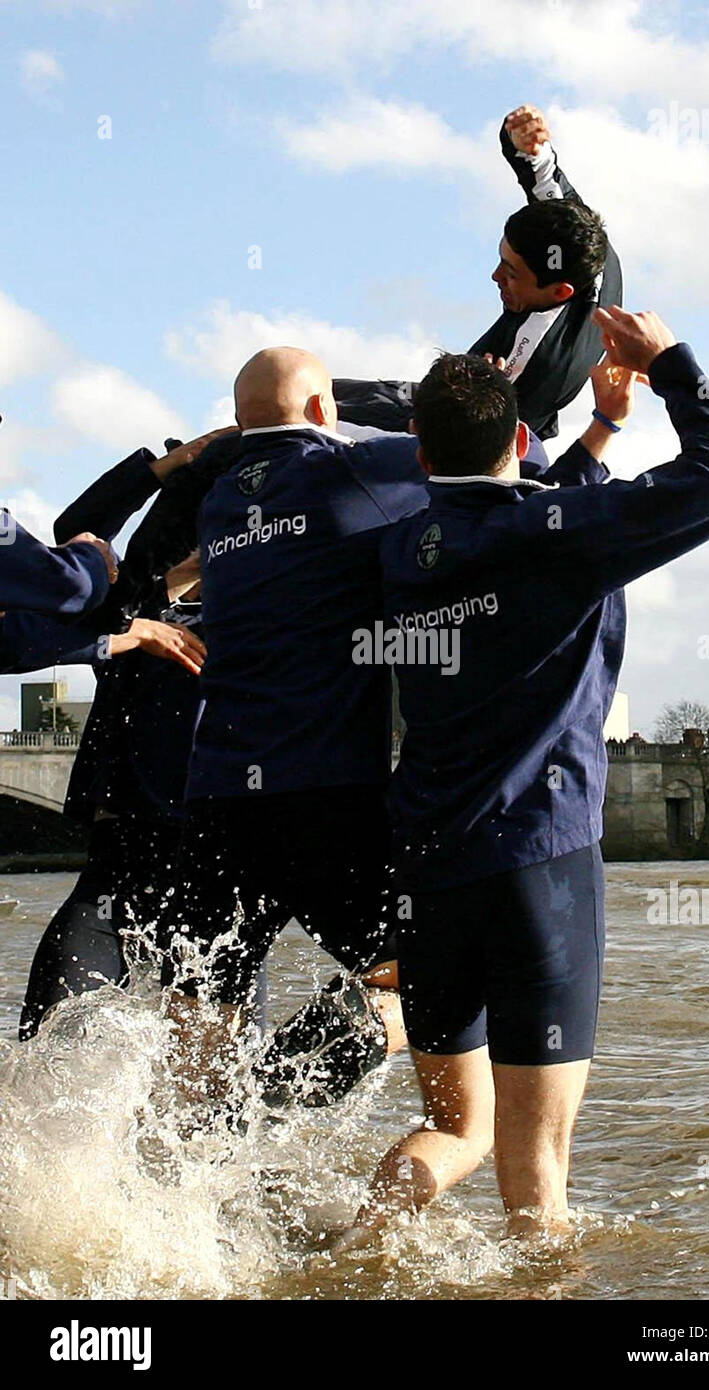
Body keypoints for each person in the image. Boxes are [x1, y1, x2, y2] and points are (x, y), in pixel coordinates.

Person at [335, 306, 709, 1247]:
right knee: (539, 1183)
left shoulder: (402, 550)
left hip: (431, 864)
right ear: (521, 438)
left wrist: (602, 432)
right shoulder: (563, 534)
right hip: (542, 862)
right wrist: (671, 366)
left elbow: (504, 515)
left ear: (417, 451)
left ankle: (344, 1259)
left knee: (457, 1131)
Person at [158, 346, 626, 1114]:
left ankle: (188, 1173)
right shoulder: (354, 471)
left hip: (214, 796)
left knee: (202, 1013)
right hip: (324, 797)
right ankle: (286, 1090)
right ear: (320, 412)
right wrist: (588, 422)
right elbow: (498, 458)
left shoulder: (217, 505)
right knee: (426, 975)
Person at [17, 435, 225, 1040]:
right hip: (118, 875)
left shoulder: (266, 618)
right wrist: (161, 467)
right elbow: (78, 531)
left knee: (211, 1097)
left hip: (217, 878)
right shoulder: (132, 619)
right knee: (46, 1047)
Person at [333, 103, 621, 441]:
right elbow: (544, 176)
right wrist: (528, 142)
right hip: (445, 402)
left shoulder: (536, 364)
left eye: (511, 273)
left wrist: (483, 391)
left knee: (292, 407)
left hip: (454, 434)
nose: (495, 277)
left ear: (560, 292)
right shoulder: (582, 240)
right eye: (501, 259)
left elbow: (458, 433)